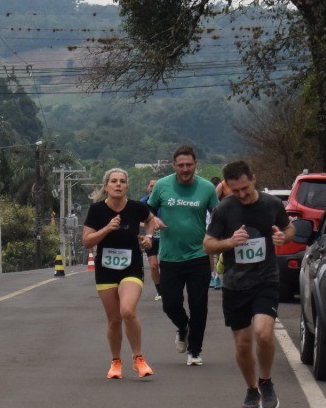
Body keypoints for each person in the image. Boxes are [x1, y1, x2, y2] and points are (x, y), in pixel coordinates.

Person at [204, 160, 290, 408]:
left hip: (266, 279)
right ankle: (251, 389)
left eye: (245, 188)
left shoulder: (271, 204)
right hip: (235, 284)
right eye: (235, 190)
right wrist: (230, 242)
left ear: (253, 178)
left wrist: (283, 237)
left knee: (263, 333)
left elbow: (289, 229)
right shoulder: (224, 210)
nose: (241, 194)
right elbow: (208, 244)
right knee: (243, 344)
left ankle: (266, 382)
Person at [82, 168, 162, 379]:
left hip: (131, 267)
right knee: (114, 320)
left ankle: (138, 358)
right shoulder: (97, 210)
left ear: (127, 186)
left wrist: (149, 236)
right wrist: (107, 228)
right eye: (114, 181)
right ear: (106, 186)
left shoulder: (136, 207)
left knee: (127, 311)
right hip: (105, 270)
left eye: (122, 181)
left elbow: (151, 220)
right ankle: (116, 361)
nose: (118, 184)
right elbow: (87, 241)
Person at [146, 145, 221, 366]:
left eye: (189, 165)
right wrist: (154, 220)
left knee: (199, 305)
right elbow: (147, 211)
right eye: (181, 165)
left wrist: (216, 238)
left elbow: (217, 216)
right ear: (174, 166)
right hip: (169, 256)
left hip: (198, 255)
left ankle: (195, 350)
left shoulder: (207, 188)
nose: (185, 169)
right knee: (170, 304)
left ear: (195, 164)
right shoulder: (162, 186)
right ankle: (182, 326)